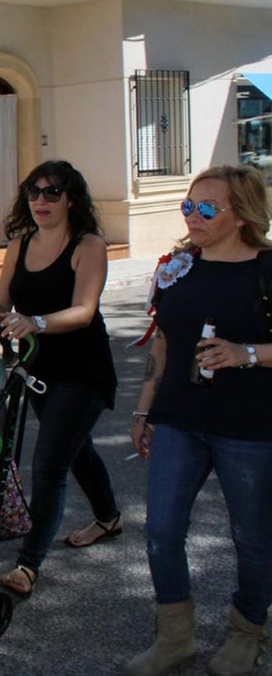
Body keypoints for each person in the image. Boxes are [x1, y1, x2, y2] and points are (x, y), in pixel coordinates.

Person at [124, 165, 272, 676]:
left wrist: (246, 353)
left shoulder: (267, 269)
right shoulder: (178, 267)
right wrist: (143, 409)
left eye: (207, 208)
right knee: (161, 530)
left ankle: (248, 632)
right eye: (188, 205)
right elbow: (162, 344)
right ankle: (174, 639)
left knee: (251, 538)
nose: (193, 216)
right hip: (179, 419)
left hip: (251, 426)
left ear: (241, 215)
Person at [0, 160, 120, 598]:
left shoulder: (88, 245)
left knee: (50, 465)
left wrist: (36, 322)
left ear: (71, 199)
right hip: (39, 370)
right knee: (76, 448)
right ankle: (109, 518)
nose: (41, 200)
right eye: (34, 192)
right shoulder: (20, 243)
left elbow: (84, 311)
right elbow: (1, 300)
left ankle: (27, 566)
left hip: (84, 371)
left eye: (52, 192)